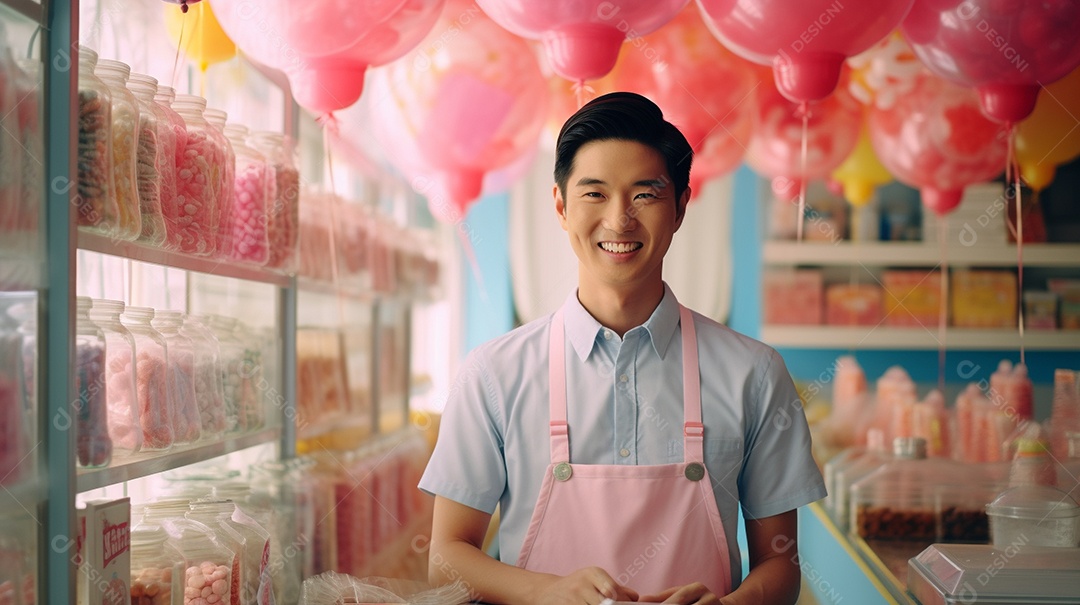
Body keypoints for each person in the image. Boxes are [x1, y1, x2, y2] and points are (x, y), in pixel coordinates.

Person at [419, 92, 825, 605]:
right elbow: (445, 556)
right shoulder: (493, 374)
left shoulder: (755, 373)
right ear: (561, 207)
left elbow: (780, 564)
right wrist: (547, 593)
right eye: (595, 194)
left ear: (680, 207)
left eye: (644, 194)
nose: (619, 220)